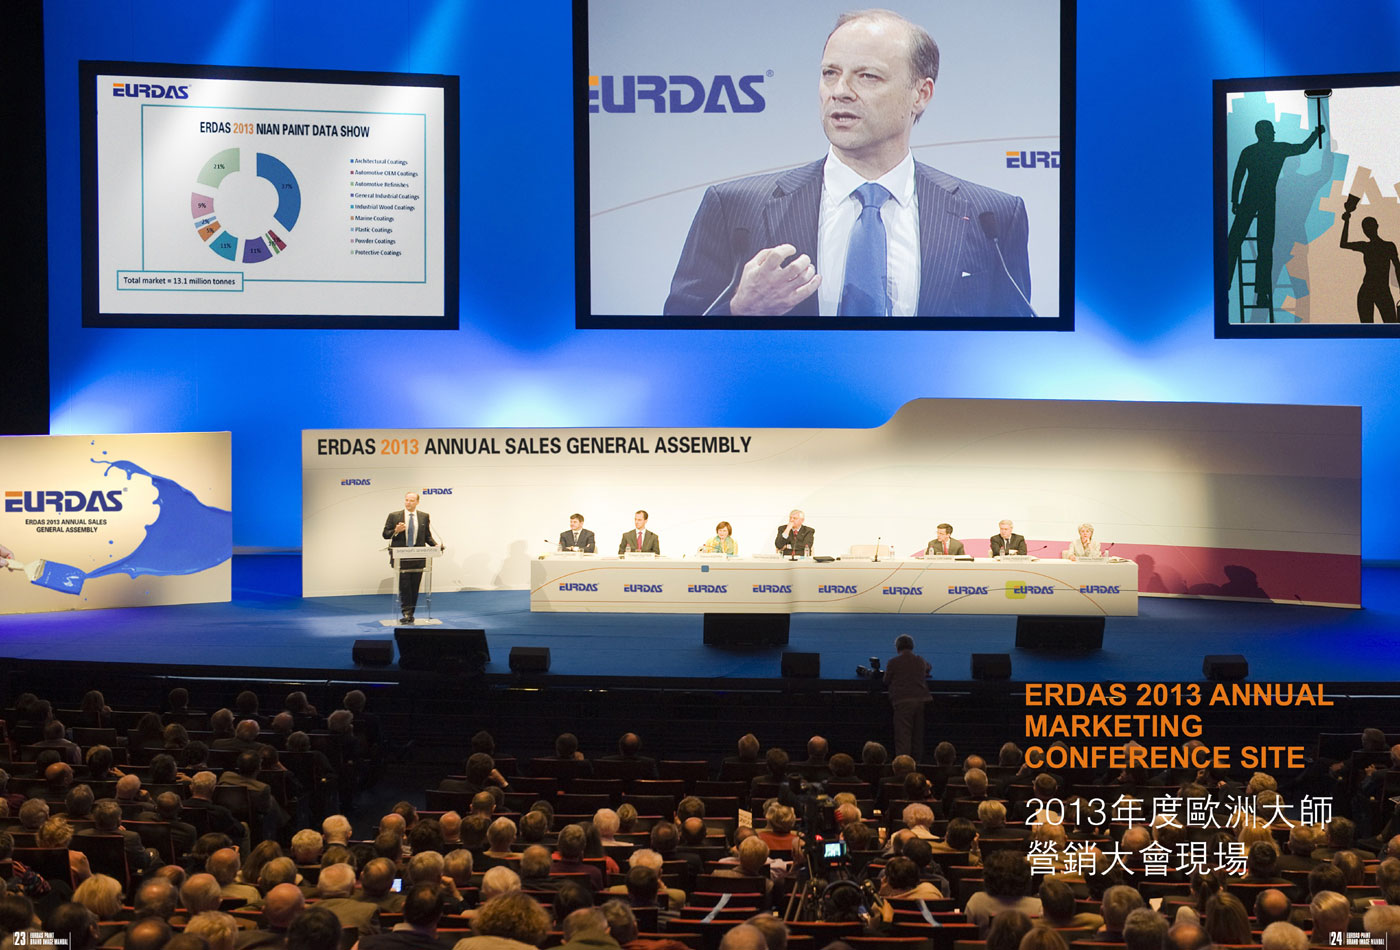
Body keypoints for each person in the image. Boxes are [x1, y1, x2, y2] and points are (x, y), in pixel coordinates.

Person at [663, 10, 1031, 319]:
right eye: (830, 73)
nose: (839, 91)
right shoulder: (735, 207)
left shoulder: (991, 217)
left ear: (921, 94)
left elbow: (1013, 345)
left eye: (867, 76)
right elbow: (674, 338)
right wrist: (739, 310)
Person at [1224, 119, 1325, 307]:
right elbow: (1303, 148)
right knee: (1264, 247)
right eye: (1271, 130)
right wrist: (1316, 134)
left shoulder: (1249, 151)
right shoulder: (1277, 149)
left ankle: (1227, 287)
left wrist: (1234, 200)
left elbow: (1239, 176)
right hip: (1266, 201)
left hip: (1250, 199)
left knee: (1235, 242)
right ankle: (1261, 294)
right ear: (1264, 132)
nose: (1274, 133)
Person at [382, 491, 442, 624]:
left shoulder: (424, 516)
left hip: (418, 557)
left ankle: (411, 614)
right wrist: (396, 531)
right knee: (404, 587)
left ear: (417, 502)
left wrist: (436, 545)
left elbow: (427, 536)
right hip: (401, 558)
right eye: (406, 500)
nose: (408, 503)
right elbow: (385, 534)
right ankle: (406, 613)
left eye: (411, 500)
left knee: (415, 587)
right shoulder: (394, 516)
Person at [1339, 212, 1400, 324]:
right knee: (1377, 326)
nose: (1367, 231)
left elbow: (1398, 268)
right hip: (1372, 290)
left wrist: (1347, 220)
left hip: (1377, 290)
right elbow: (1343, 244)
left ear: (1376, 226)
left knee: (1388, 325)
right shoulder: (1383, 246)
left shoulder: (1382, 246)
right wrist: (1346, 221)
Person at [884, 635, 931, 758]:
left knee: (903, 736)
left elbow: (886, 680)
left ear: (897, 648)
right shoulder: (920, 660)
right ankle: (917, 763)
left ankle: (903, 764)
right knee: (917, 736)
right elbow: (928, 667)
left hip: (902, 701)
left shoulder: (893, 662)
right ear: (912, 646)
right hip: (920, 701)